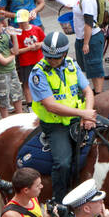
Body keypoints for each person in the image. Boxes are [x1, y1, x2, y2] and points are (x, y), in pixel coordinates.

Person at [27, 31, 96, 200]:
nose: (51, 60)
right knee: (63, 163)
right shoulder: (38, 73)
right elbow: (51, 106)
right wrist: (83, 113)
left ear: (64, 54)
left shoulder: (72, 64)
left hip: (78, 118)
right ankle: (59, 203)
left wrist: (87, 116)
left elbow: (88, 91)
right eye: (48, 57)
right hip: (56, 125)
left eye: (55, 58)